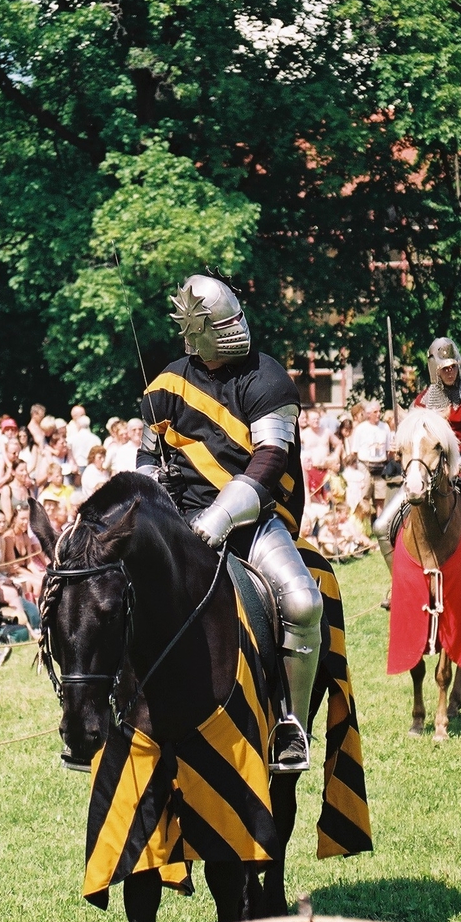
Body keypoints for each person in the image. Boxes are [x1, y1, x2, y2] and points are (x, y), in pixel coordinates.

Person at [137, 271, 322, 771]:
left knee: (303, 602)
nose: (237, 328)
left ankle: (292, 725)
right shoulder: (169, 384)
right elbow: (148, 459)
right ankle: (112, 709)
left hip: (251, 522)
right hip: (180, 526)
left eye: (235, 317)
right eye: (224, 323)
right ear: (196, 332)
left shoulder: (268, 378)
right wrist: (157, 506)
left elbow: (268, 461)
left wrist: (220, 516)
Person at [374, 337, 461, 604]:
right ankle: (398, 585)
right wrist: (398, 442)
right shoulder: (422, 403)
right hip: (427, 477)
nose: (449, 371)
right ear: (434, 369)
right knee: (381, 525)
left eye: (453, 366)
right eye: (444, 367)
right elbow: (411, 440)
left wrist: (455, 466)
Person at [350, 400, 393, 517]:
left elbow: (389, 449)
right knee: (365, 496)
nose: (378, 414)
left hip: (381, 465)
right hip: (365, 465)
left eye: (379, 411)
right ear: (368, 414)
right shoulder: (361, 428)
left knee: (381, 498)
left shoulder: (385, 427)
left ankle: (379, 525)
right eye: (375, 412)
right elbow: (354, 451)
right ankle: (364, 525)